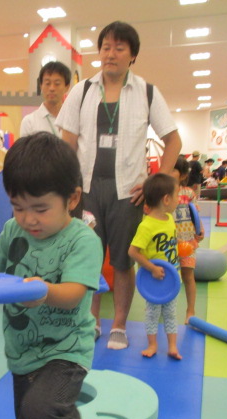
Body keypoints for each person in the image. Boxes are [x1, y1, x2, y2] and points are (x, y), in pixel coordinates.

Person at [0, 132, 103, 419]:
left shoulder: (81, 240)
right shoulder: (12, 231)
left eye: (40, 209)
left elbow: (75, 294)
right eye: (18, 207)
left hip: (65, 350)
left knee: (43, 408)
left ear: (72, 198)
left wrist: (45, 291)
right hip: (21, 352)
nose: (28, 219)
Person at [57, 21, 181, 350]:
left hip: (128, 192)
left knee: (123, 260)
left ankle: (121, 325)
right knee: (89, 258)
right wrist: (69, 187)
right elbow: (66, 142)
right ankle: (93, 321)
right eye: (106, 47)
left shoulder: (146, 92)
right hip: (86, 190)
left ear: (133, 56)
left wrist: (157, 180)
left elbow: (173, 140)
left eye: (119, 48)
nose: (110, 54)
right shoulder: (81, 90)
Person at [128, 173, 182, 360]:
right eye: (177, 196)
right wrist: (151, 268)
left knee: (171, 313)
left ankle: (173, 346)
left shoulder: (170, 220)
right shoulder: (147, 225)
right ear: (166, 199)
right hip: (154, 280)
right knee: (152, 313)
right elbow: (133, 252)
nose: (179, 200)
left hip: (172, 278)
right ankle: (152, 345)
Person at [172, 156, 204, 323]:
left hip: (187, 241)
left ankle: (190, 310)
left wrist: (200, 230)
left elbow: (195, 214)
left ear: (183, 175)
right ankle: (165, 307)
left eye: (173, 170)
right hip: (168, 243)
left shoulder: (188, 193)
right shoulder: (163, 193)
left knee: (188, 275)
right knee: (168, 275)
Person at [20, 61, 71, 137]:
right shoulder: (29, 122)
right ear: (41, 86)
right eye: (47, 83)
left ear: (67, 87)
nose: (52, 88)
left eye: (57, 84)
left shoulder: (73, 119)